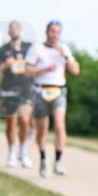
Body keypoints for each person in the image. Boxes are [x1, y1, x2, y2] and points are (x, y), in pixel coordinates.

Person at [25, 20, 80, 177]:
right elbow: (27, 70)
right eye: (52, 31)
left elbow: (76, 70)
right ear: (46, 32)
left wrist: (66, 57)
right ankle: (43, 160)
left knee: (60, 126)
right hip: (41, 90)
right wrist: (43, 69)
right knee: (42, 128)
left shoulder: (64, 49)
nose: (55, 35)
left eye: (57, 32)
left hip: (58, 91)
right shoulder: (37, 48)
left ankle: (58, 161)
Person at [0, 21, 35, 168]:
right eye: (11, 28)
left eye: (16, 28)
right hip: (9, 89)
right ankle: (11, 152)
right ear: (8, 31)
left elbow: (36, 65)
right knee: (11, 123)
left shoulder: (29, 48)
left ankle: (22, 151)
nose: (13, 31)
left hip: (26, 87)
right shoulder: (2, 50)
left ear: (20, 30)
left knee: (24, 119)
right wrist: (6, 65)